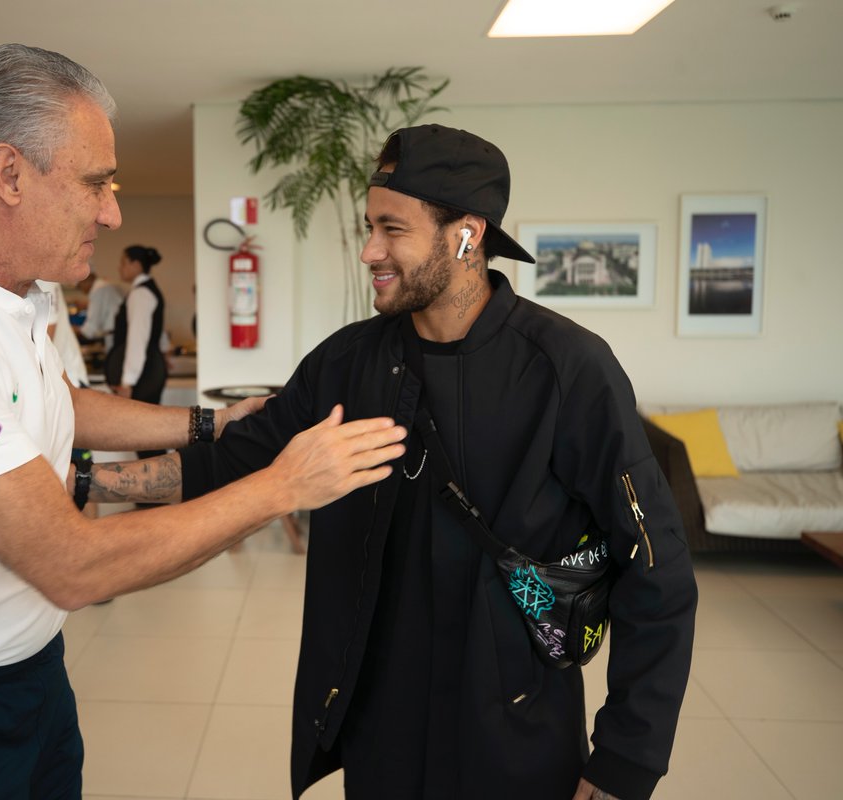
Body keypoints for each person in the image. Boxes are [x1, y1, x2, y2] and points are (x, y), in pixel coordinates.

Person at [0, 43, 405, 800]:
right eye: (96, 183)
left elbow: (57, 403)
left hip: (30, 668)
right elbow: (73, 564)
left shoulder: (22, 291)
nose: (113, 212)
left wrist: (209, 424)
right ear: (9, 174)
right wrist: (283, 486)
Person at [161, 125, 698, 799]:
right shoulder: (348, 361)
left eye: (392, 229)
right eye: (368, 226)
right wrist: (85, 479)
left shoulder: (566, 368)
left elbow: (657, 565)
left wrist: (626, 757)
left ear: (466, 235)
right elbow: (233, 460)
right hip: (382, 726)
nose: (368, 250)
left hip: (514, 729)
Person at [105, 245, 167, 459]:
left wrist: (127, 382)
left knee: (147, 438)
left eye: (123, 262)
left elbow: (137, 339)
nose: (119, 267)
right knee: (148, 437)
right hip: (149, 371)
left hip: (143, 376)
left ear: (136, 265)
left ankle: (164, 489)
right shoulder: (146, 290)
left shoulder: (141, 294)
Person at [75, 268, 124, 345]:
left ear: (86, 280)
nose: (81, 290)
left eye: (80, 286)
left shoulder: (98, 291)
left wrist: (75, 330)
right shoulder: (105, 286)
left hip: (114, 335)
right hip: (119, 332)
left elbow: (91, 327)